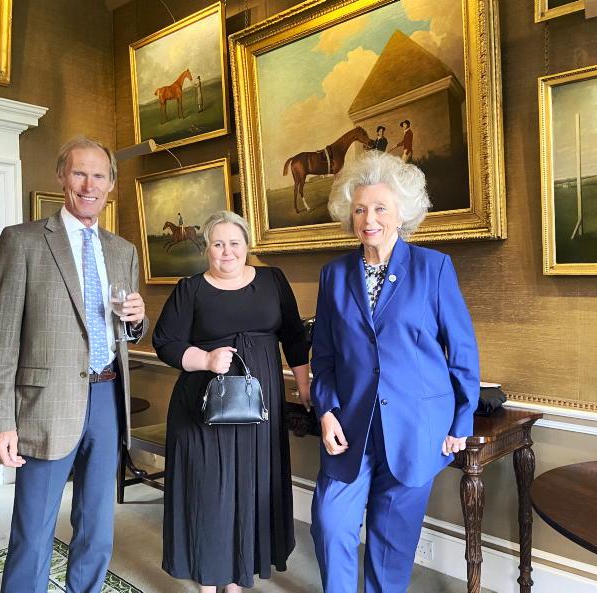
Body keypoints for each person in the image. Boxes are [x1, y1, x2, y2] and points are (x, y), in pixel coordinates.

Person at [0, 136, 147, 593]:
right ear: (61, 177)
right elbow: (0, 339)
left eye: (99, 176)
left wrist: (136, 322)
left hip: (107, 397)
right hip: (45, 404)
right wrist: (1, 420)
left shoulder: (123, 250)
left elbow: (125, 329)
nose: (89, 185)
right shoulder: (23, 241)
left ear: (111, 184)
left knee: (97, 526)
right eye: (79, 173)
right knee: (33, 530)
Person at [309, 151, 479, 593]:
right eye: (360, 209)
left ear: (402, 214)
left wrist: (462, 420)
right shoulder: (333, 275)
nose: (369, 219)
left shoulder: (433, 268)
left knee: (391, 547)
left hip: (415, 426)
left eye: (381, 208)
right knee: (330, 524)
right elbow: (323, 355)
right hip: (350, 425)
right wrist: (325, 411)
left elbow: (461, 349)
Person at [153, 211, 311, 593]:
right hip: (203, 406)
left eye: (234, 243)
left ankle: (238, 576)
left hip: (260, 405)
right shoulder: (190, 289)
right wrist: (205, 360)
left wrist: (304, 386)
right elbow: (166, 343)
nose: (227, 252)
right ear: (206, 248)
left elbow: (294, 336)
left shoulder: (272, 281)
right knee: (209, 491)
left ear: (247, 245)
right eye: (218, 244)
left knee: (252, 487)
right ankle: (210, 579)